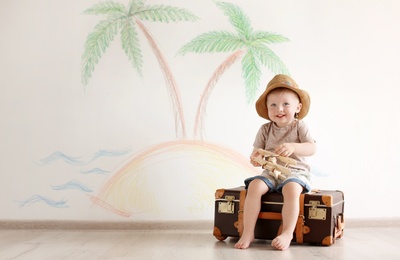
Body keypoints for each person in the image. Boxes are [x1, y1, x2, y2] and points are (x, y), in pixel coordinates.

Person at [234, 74, 316, 251]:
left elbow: (311, 148)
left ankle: (287, 232)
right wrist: (257, 159)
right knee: (254, 186)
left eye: (286, 104)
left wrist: (294, 147)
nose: (279, 108)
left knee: (291, 189)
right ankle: (248, 232)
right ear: (267, 108)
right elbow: (256, 153)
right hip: (271, 172)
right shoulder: (265, 129)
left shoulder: (299, 126)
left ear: (297, 107)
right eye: (273, 105)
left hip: (295, 172)